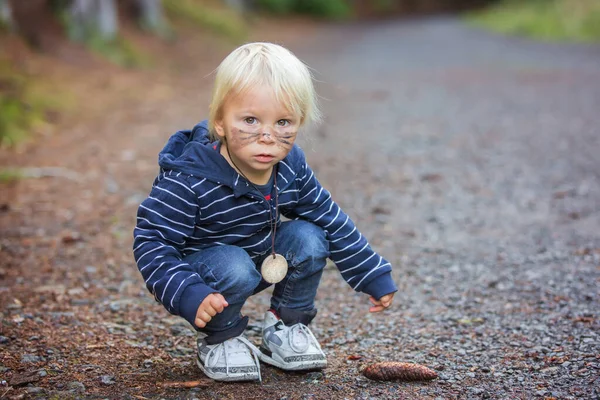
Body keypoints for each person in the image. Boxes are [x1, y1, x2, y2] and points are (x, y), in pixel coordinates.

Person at [133, 42, 397, 382]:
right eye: (250, 120)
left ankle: (285, 328)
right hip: (205, 275)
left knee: (310, 237)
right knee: (235, 265)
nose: (268, 136)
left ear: (300, 121)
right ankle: (222, 337)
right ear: (221, 123)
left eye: (283, 122)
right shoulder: (189, 179)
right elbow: (152, 241)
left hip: (259, 253)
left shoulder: (289, 166)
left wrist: (372, 274)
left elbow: (328, 216)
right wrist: (186, 291)